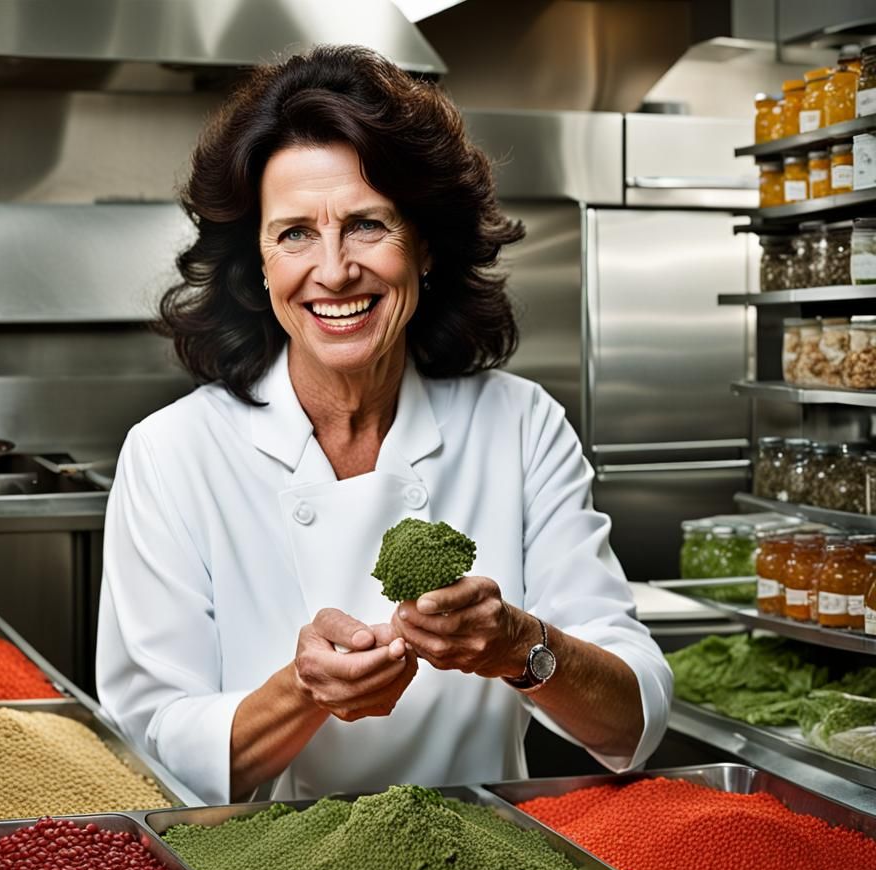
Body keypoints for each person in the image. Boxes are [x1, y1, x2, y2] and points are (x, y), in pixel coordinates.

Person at [96, 45, 672, 806]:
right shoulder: (173, 455)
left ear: (424, 244)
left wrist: (519, 646)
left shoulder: (520, 426)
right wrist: (303, 693)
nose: (333, 271)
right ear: (259, 261)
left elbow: (631, 722)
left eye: (367, 225)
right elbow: (147, 751)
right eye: (295, 233)